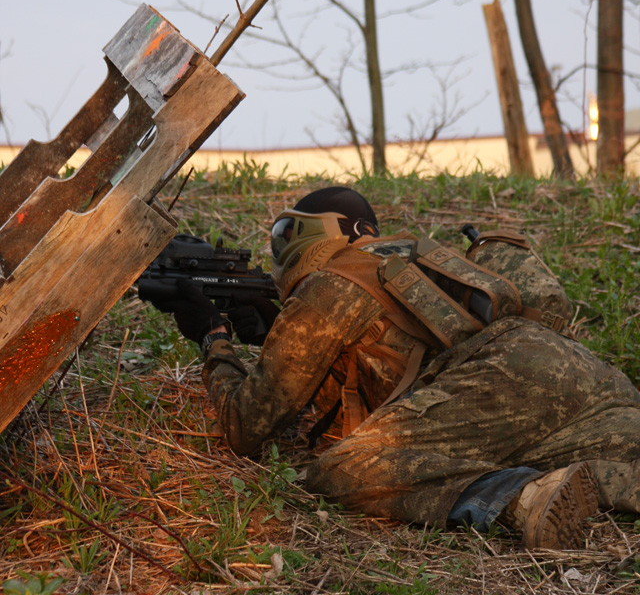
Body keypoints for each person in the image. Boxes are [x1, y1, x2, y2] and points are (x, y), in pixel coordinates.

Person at [152, 186, 640, 550]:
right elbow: (390, 358)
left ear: (316, 233)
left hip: (492, 378)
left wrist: (214, 339)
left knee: (343, 468)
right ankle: (607, 478)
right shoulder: (404, 261)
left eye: (285, 234)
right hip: (572, 369)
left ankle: (519, 496)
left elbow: (245, 426)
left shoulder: (327, 284)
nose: (278, 251)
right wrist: (270, 332)